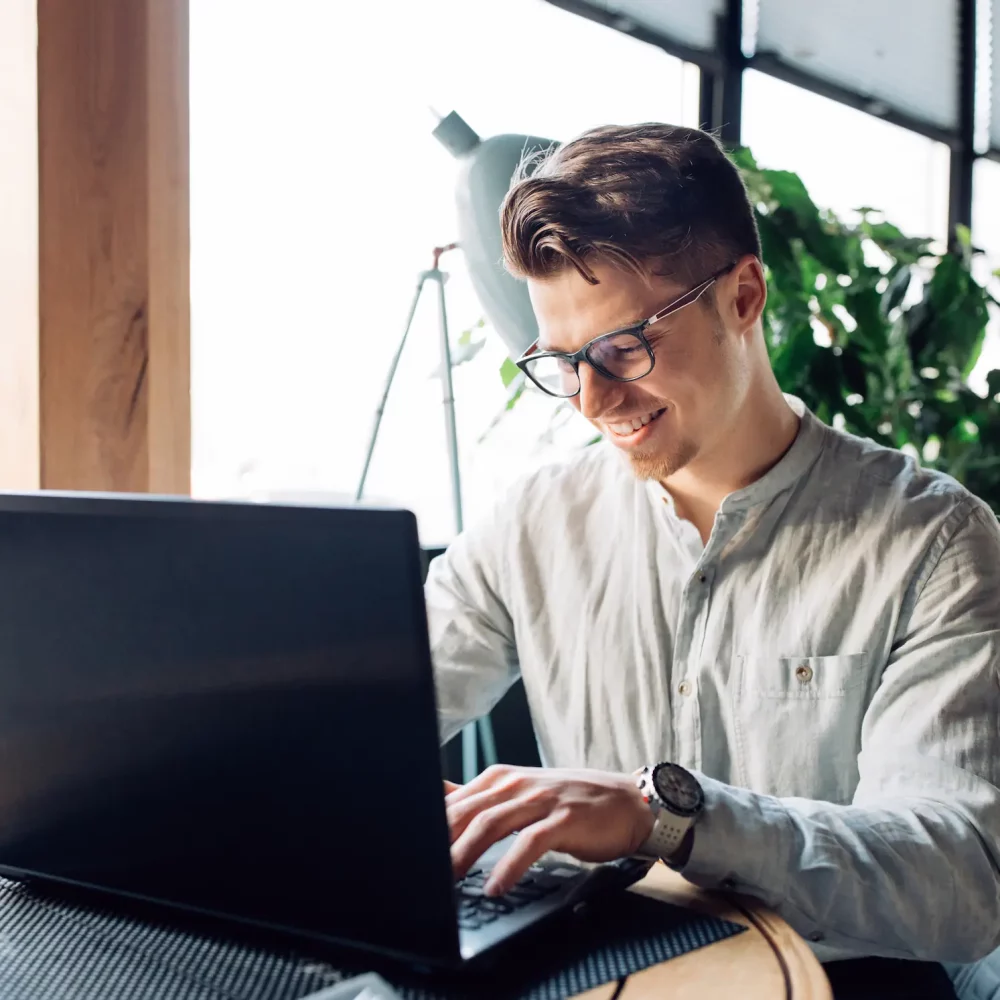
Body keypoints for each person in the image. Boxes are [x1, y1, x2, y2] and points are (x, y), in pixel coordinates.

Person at [424, 123, 1000, 998]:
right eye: (562, 362)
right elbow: (380, 716)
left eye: (624, 348)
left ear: (742, 296)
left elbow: (959, 881)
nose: (593, 400)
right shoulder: (532, 523)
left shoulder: (935, 544)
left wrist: (665, 818)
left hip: (842, 982)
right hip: (598, 975)